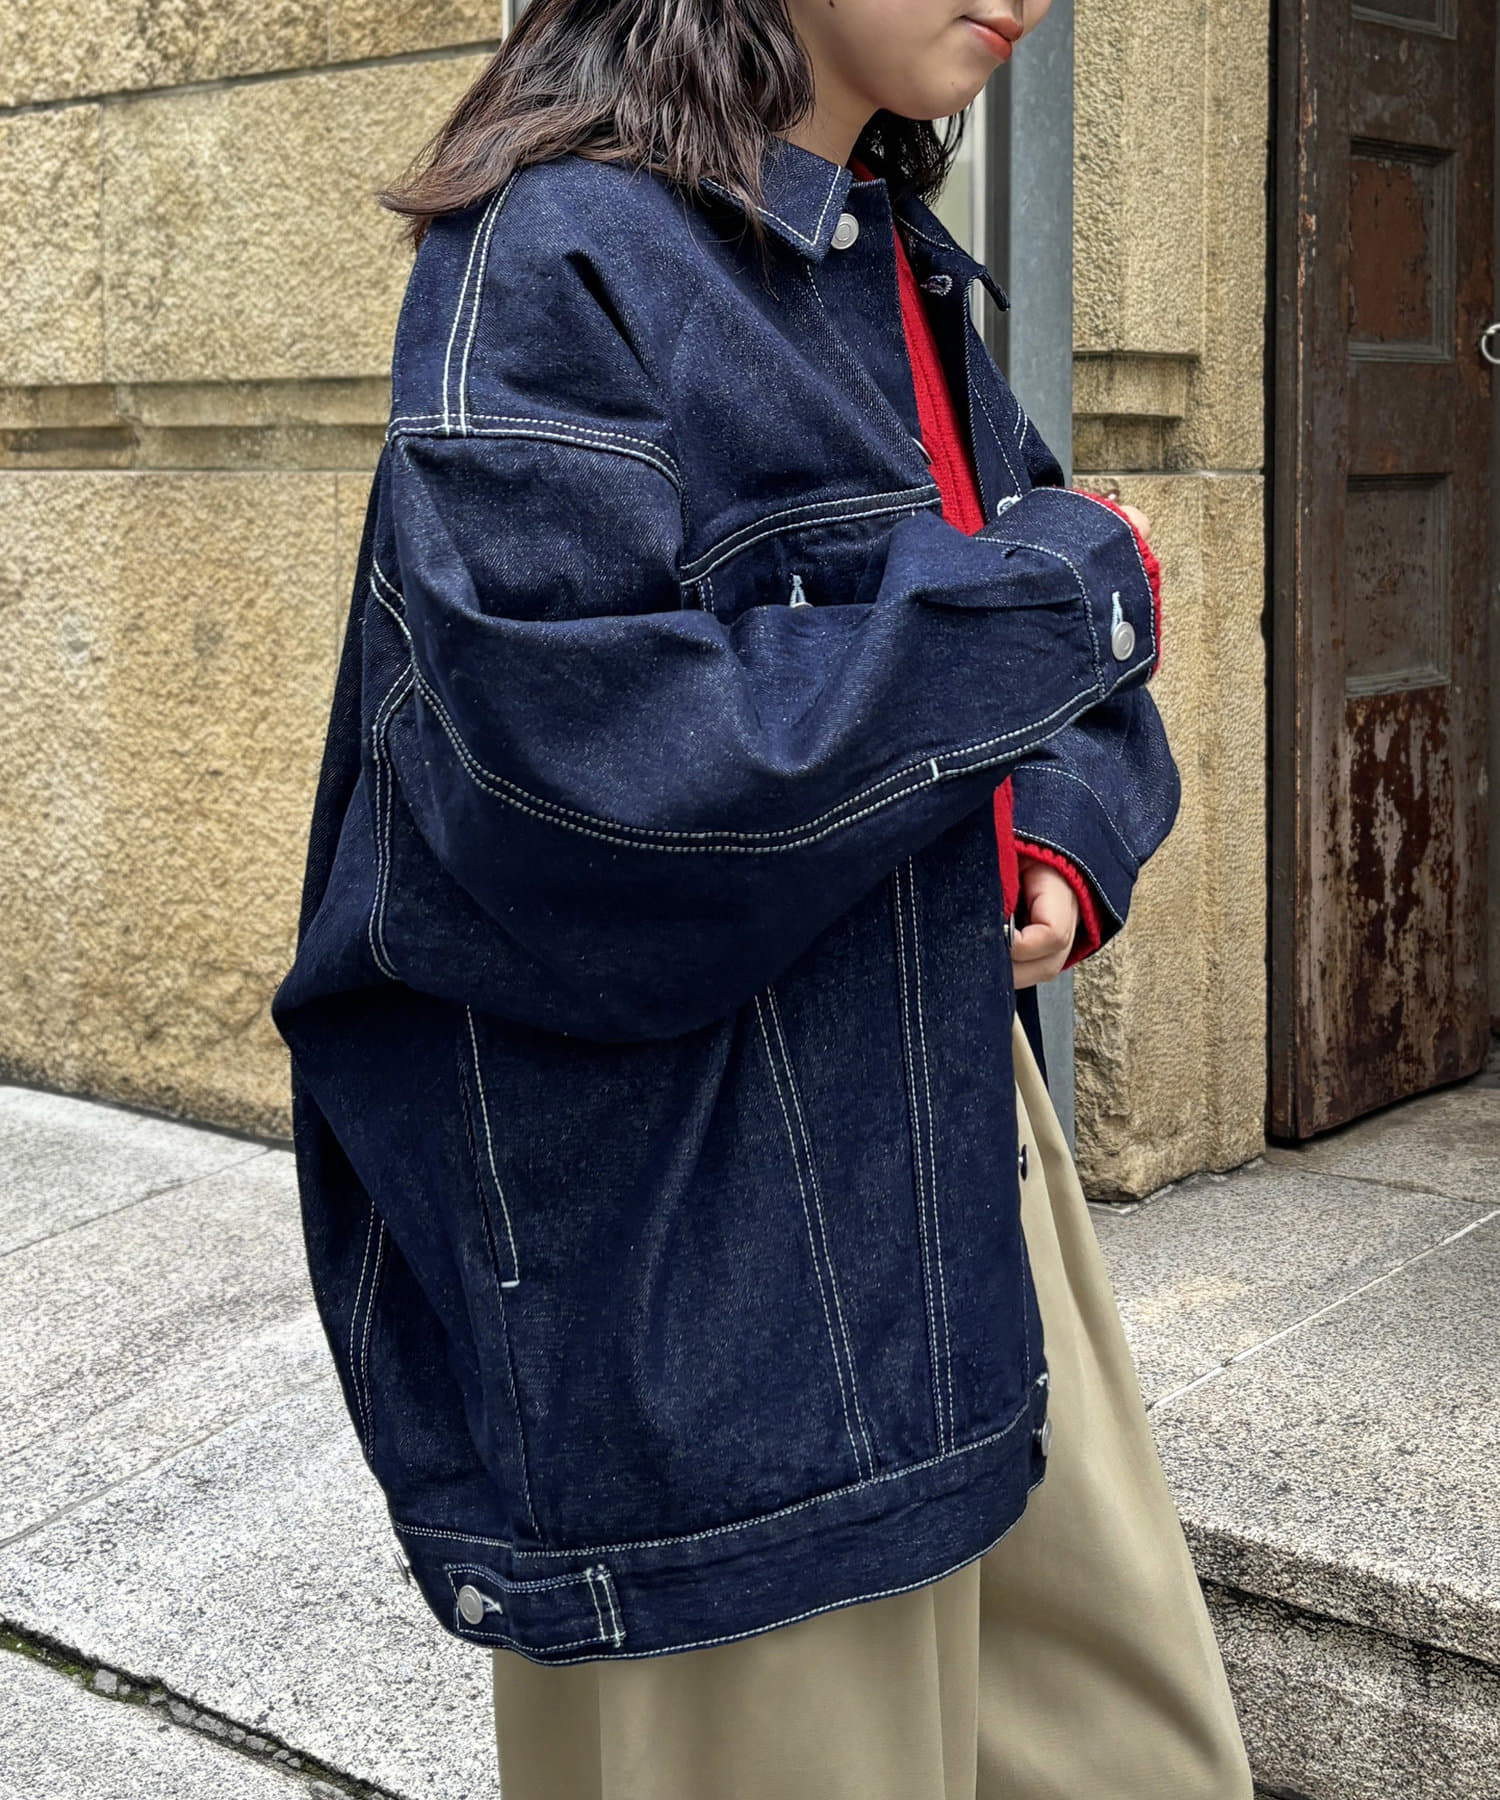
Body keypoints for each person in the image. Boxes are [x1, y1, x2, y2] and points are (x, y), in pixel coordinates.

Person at [273, 1, 1256, 1794]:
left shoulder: (882, 253)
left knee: (1146, 1760)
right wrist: (1063, 596)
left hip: (962, 1139)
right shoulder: (559, 247)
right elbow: (575, 779)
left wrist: (1053, 832)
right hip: (706, 1230)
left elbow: (1043, 647)